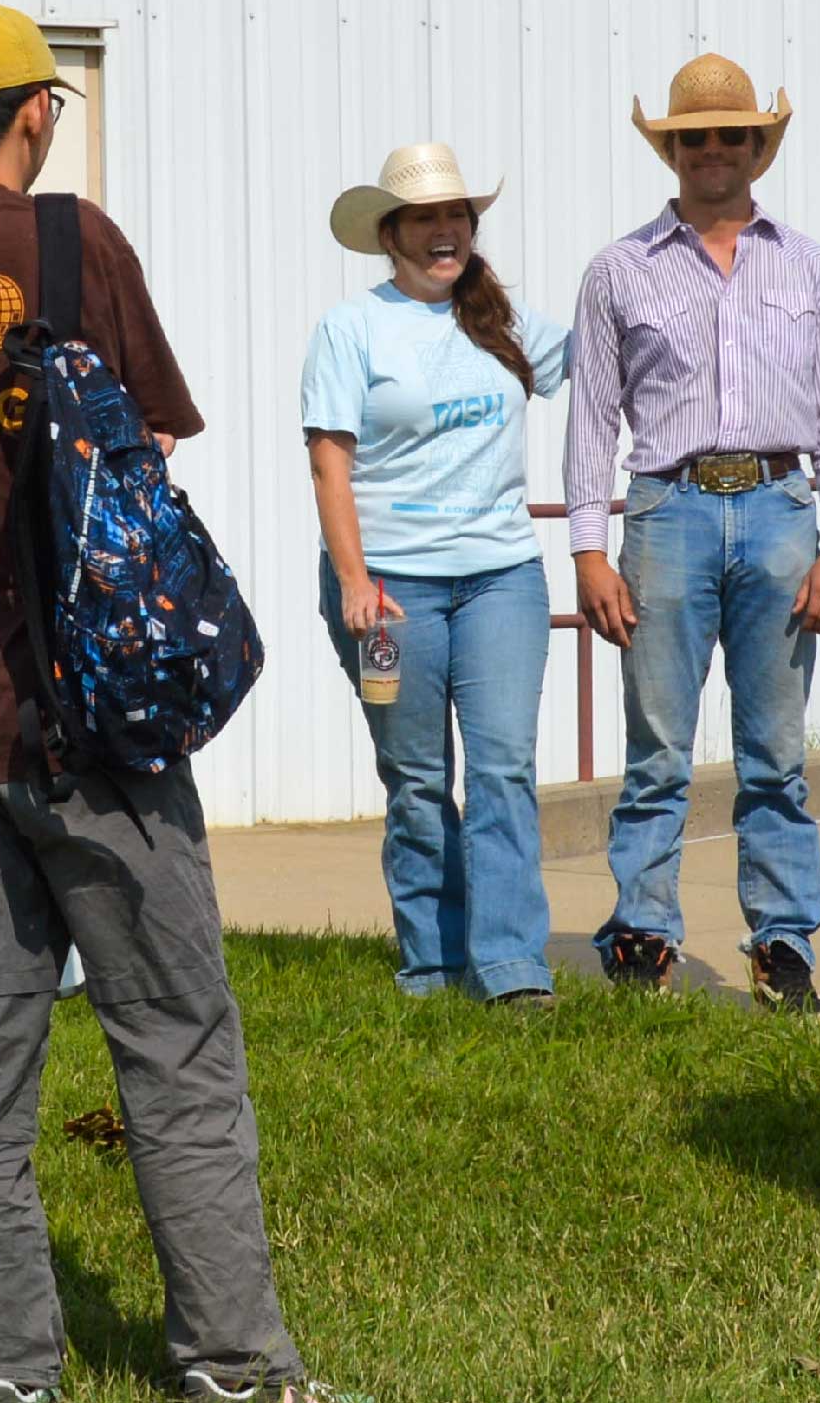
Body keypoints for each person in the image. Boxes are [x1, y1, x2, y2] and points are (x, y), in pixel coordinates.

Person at [0, 3, 328, 1403]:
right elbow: (138, 446)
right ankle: (228, 1357)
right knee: (173, 1037)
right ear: (36, 113)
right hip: (88, 720)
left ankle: (4, 1370)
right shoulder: (67, 241)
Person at [563, 52, 820, 1012]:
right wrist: (587, 550)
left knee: (775, 752)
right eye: (695, 137)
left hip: (780, 511)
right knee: (657, 746)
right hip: (666, 510)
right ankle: (642, 936)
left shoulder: (807, 263)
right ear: (672, 149)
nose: (713, 152)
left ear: (757, 148)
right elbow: (592, 421)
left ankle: (783, 949)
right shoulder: (617, 270)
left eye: (731, 135)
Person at [303, 144, 570, 1008]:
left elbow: (609, 355)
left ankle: (510, 966)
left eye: (455, 215)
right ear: (391, 233)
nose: (443, 230)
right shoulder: (353, 328)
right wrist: (353, 581)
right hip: (388, 592)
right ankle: (429, 961)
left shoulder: (508, 321)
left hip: (501, 580)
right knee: (416, 779)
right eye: (423, 217)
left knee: (501, 770)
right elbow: (329, 465)